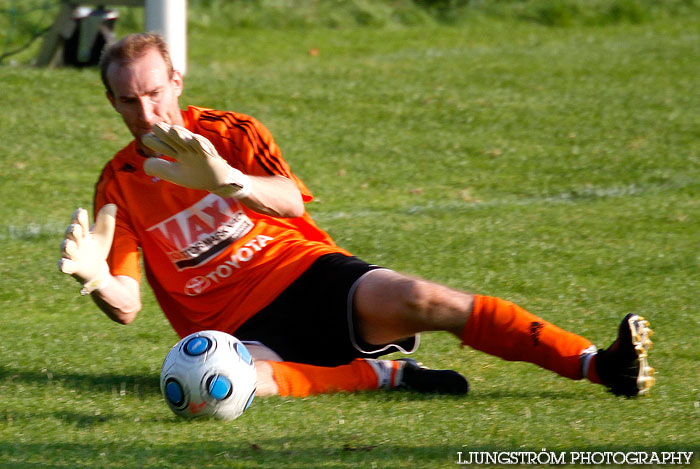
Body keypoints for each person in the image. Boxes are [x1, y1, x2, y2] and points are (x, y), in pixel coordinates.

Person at [59, 33, 655, 399]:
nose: (147, 109)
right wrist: (98, 282)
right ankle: (381, 377)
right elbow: (129, 307)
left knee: (427, 299)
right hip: (232, 333)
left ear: (176, 82)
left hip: (305, 274)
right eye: (130, 100)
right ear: (111, 102)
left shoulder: (229, 132)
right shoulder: (120, 183)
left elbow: (291, 200)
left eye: (156, 92)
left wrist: (231, 182)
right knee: (238, 388)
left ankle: (600, 366)